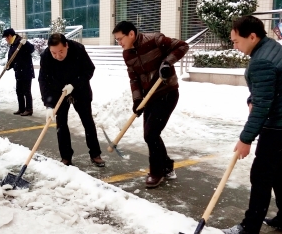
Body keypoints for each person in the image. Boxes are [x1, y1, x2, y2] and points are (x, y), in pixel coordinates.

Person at [222, 16, 282, 234]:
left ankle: (248, 230)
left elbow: (262, 105)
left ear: (252, 36)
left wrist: (246, 139)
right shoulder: (269, 48)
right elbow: (266, 91)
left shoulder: (262, 60)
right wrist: (253, 98)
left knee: (261, 173)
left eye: (236, 41)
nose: (234, 46)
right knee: (275, 169)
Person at [112, 21, 189, 188]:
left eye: (120, 39)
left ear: (131, 34)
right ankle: (167, 165)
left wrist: (167, 62)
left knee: (150, 135)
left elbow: (183, 46)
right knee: (151, 134)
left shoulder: (154, 40)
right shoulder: (127, 54)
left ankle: (157, 172)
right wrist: (137, 100)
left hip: (167, 92)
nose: (119, 43)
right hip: (149, 97)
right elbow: (134, 78)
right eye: (117, 40)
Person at [38, 33, 105, 167]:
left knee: (87, 122)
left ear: (66, 45)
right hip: (58, 92)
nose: (57, 56)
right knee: (61, 124)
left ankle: (95, 154)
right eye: (54, 53)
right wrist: (49, 105)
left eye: (61, 51)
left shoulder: (78, 49)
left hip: (80, 90)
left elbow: (89, 70)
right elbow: (43, 81)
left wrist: (74, 84)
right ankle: (66, 156)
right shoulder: (46, 56)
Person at [3, 28, 35, 116]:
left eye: (6, 38)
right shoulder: (13, 44)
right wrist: (8, 66)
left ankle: (29, 109)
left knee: (26, 91)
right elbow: (13, 58)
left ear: (9, 36)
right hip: (19, 71)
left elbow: (32, 49)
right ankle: (21, 109)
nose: (6, 40)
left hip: (26, 70)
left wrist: (27, 44)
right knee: (19, 91)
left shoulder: (21, 42)